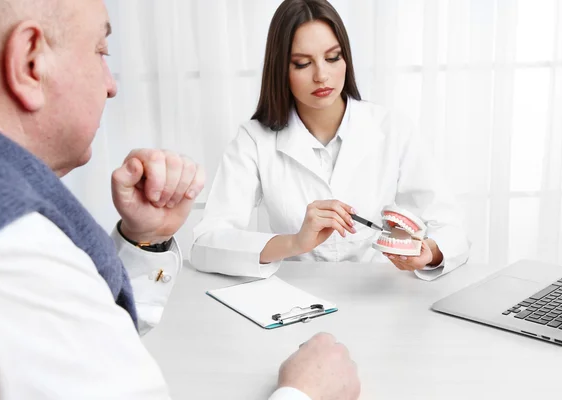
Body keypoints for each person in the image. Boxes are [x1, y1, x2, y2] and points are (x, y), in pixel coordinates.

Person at [0, 1, 360, 399]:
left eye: (333, 57)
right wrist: (304, 394)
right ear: (30, 63)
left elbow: (102, 330)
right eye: (101, 51)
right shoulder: (16, 251)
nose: (111, 84)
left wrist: (144, 240)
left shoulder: (18, 225)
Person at [191, 0, 470, 281]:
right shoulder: (254, 140)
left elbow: (452, 228)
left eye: (333, 57)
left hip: (377, 294)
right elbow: (206, 244)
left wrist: (429, 252)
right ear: (280, 70)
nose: (321, 76)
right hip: (295, 299)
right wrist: (295, 242)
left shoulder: (392, 128)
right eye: (302, 63)